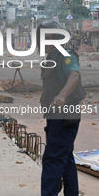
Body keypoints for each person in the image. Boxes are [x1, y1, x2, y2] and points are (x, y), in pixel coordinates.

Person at [37, 20, 85, 196]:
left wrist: (62, 95)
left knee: (53, 159)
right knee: (66, 157)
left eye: (49, 39)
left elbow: (74, 75)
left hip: (65, 116)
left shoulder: (66, 55)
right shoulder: (52, 57)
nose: (46, 43)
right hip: (55, 115)